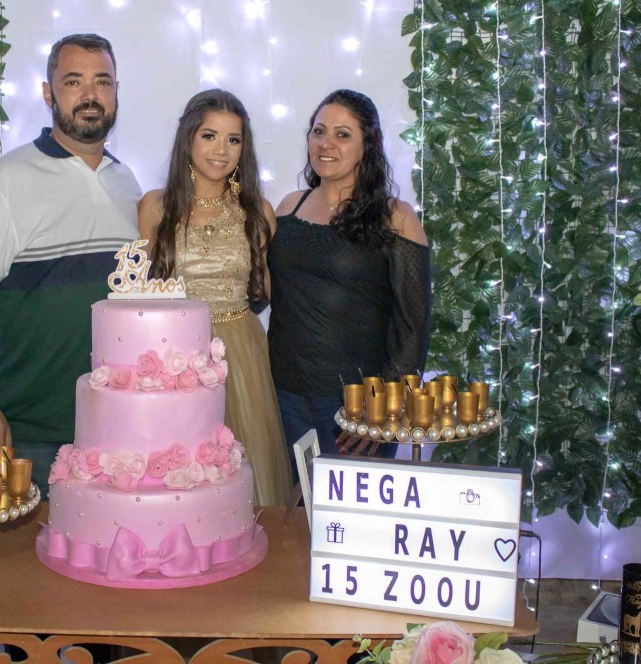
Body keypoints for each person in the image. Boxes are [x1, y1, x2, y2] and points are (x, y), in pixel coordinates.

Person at [0, 34, 140, 492]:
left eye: (102, 81)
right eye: (73, 81)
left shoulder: (127, 183)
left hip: (114, 428)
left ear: (116, 92)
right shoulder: (6, 180)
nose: (90, 95)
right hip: (28, 432)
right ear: (48, 94)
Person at [138, 89, 292, 506]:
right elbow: (141, 292)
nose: (221, 150)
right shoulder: (155, 207)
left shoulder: (258, 212)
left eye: (233, 139)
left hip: (241, 351)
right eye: (209, 136)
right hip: (174, 352)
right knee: (181, 471)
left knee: (244, 471)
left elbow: (270, 290)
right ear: (188, 137)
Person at [268, 89, 431, 474]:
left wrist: (385, 405)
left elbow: (414, 323)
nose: (326, 143)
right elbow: (267, 293)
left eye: (342, 135)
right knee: (296, 509)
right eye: (318, 131)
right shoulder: (288, 207)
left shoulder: (395, 216)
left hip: (355, 406)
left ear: (367, 146)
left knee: (348, 511)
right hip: (282, 396)